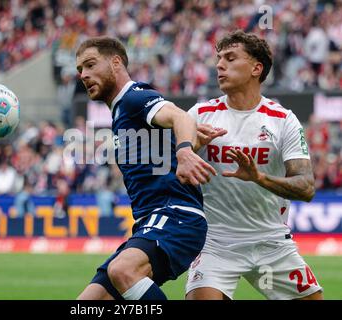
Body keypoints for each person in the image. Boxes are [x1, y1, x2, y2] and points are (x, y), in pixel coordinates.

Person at [75, 36, 224, 300]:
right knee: (88, 302)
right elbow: (167, 139)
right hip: (150, 222)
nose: (84, 75)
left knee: (123, 270)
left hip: (176, 216)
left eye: (90, 65)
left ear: (116, 62)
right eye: (80, 70)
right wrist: (186, 143)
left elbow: (180, 116)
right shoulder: (122, 113)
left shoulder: (134, 98)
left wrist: (185, 150)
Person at [185, 30, 323, 300]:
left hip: (272, 243)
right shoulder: (199, 115)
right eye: (218, 58)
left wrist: (259, 177)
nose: (219, 65)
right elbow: (167, 175)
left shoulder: (283, 120)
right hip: (216, 243)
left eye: (230, 58)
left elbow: (306, 187)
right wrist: (189, 152)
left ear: (256, 68)